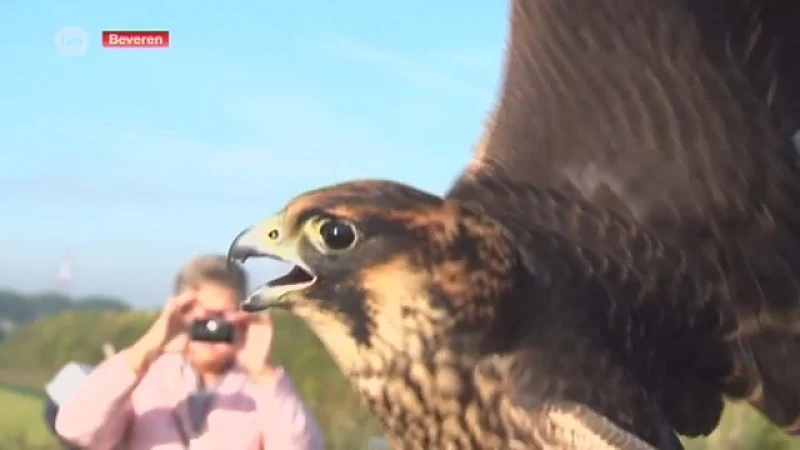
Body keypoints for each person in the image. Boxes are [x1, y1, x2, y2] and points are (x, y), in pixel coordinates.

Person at [55, 254, 324, 449]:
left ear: (242, 317)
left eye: (221, 318)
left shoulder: (263, 391)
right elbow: (76, 429)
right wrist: (148, 348)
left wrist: (264, 373)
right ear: (176, 312)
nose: (210, 328)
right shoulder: (144, 382)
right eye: (199, 317)